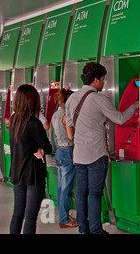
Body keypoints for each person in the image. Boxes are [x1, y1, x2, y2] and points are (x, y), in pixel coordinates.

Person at [65, 62, 138, 234]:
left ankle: (84, 228)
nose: (104, 83)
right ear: (96, 79)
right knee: (95, 194)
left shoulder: (72, 98)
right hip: (96, 154)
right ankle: (97, 230)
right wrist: (135, 105)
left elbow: (68, 123)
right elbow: (119, 119)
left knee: (82, 192)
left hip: (79, 155)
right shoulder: (99, 99)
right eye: (103, 79)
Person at [9, 84, 52, 234]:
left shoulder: (14, 119)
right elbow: (48, 147)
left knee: (17, 214)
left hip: (17, 172)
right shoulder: (34, 123)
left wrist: (37, 148)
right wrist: (40, 149)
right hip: (33, 174)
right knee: (30, 216)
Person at [52, 87, 78, 228]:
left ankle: (64, 215)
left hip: (59, 152)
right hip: (68, 151)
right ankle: (63, 219)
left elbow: (52, 136)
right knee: (66, 189)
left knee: (62, 187)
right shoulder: (66, 115)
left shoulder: (55, 114)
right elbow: (71, 135)